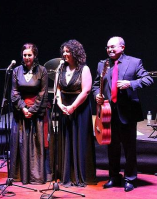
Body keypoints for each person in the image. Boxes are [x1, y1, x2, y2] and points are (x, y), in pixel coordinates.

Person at [92, 36, 154, 192]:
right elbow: (95, 86)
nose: (110, 50)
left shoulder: (134, 62)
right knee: (112, 148)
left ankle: (130, 178)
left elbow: (148, 79)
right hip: (107, 113)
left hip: (127, 112)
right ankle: (113, 177)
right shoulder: (102, 65)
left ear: (122, 47)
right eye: (107, 47)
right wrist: (96, 95)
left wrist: (130, 84)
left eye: (113, 47)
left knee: (129, 148)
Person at [56, 39, 97, 187]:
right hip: (64, 107)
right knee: (66, 139)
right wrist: (60, 104)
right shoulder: (61, 68)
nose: (65, 54)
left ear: (76, 53)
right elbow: (58, 88)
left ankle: (80, 174)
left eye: (68, 51)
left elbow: (86, 91)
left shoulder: (84, 69)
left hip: (79, 109)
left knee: (79, 140)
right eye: (64, 51)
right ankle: (66, 173)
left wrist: (73, 106)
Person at [10, 43, 49, 184]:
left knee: (36, 145)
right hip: (21, 112)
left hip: (36, 112)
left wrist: (32, 110)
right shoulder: (16, 71)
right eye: (25, 55)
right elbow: (14, 92)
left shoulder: (42, 71)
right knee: (20, 142)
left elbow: (43, 93)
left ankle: (36, 177)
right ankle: (20, 176)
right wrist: (23, 108)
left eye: (29, 55)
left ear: (35, 56)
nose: (27, 57)